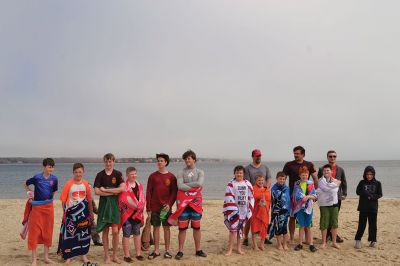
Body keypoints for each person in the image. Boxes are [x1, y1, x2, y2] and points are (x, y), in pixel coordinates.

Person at [168, 150, 206, 260]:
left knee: (197, 228)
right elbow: (180, 186)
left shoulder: (200, 172)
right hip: (183, 205)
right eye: (185, 159)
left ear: (194, 159)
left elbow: (200, 184)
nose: (187, 160)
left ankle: (198, 250)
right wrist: (193, 188)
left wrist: (186, 186)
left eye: (189, 158)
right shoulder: (181, 172)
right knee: (182, 229)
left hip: (196, 204)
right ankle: (180, 251)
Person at [24, 158, 58, 266]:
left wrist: (48, 201)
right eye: (49, 166)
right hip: (37, 208)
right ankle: (34, 259)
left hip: (49, 207)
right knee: (35, 232)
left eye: (52, 167)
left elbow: (53, 193)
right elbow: (25, 184)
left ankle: (46, 257)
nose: (51, 169)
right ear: (44, 167)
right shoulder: (37, 177)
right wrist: (30, 195)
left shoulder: (55, 179)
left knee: (48, 231)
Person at [58, 163, 94, 264]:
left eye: (80, 172)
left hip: (84, 214)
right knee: (70, 235)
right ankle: (68, 256)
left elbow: (89, 200)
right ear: (73, 173)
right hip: (71, 214)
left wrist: (91, 214)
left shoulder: (86, 184)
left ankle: (84, 256)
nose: (78, 174)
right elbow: (63, 200)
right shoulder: (69, 184)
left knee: (84, 235)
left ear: (83, 172)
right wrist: (64, 213)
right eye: (76, 172)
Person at [93, 153, 125, 264]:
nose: (108, 163)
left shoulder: (118, 174)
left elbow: (122, 189)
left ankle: (115, 256)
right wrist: (112, 192)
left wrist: (106, 190)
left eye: (110, 161)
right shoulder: (100, 175)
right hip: (104, 206)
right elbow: (97, 191)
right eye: (106, 161)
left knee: (115, 231)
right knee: (105, 231)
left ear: (113, 161)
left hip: (115, 206)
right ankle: (107, 255)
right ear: (104, 162)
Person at [282, 146, 318, 242]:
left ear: (303, 154)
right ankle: (292, 238)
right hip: (293, 196)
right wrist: (283, 193)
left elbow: (315, 178)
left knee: (306, 215)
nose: (295, 155)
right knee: (292, 217)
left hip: (307, 197)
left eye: (298, 153)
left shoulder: (309, 164)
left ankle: (307, 239)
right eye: (294, 153)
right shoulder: (289, 165)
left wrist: (315, 193)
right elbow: (283, 179)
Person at [146, 153, 178, 260]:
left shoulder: (172, 177)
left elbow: (174, 193)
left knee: (166, 228)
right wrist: (148, 208)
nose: (159, 162)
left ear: (166, 162)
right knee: (156, 228)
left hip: (166, 208)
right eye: (158, 160)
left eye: (161, 160)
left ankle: (167, 250)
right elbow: (148, 193)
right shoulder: (152, 176)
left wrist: (169, 204)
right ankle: (156, 250)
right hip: (154, 207)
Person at [223, 165, 254, 256]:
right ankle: (229, 250)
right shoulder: (231, 184)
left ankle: (239, 248)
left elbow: (251, 197)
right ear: (234, 173)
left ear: (243, 174)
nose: (239, 174)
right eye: (237, 172)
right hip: (234, 211)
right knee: (233, 231)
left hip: (244, 211)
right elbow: (228, 197)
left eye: (240, 172)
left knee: (241, 231)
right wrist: (233, 210)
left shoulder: (247, 184)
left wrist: (249, 209)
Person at [243, 149, 272, 246]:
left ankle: (264, 236)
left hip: (264, 196)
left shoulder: (265, 167)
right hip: (252, 196)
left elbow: (268, 178)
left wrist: (266, 188)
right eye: (256, 156)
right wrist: (254, 192)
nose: (258, 157)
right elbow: (246, 182)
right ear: (253, 156)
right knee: (250, 217)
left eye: (259, 155)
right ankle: (246, 238)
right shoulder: (247, 168)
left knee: (264, 216)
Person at [318, 150, 347, 243]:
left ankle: (332, 234)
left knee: (334, 216)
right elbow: (319, 182)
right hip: (324, 198)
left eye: (334, 156)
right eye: (330, 156)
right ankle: (326, 236)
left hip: (336, 196)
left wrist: (344, 193)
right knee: (325, 216)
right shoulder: (322, 169)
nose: (332, 158)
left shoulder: (340, 169)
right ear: (327, 157)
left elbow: (343, 181)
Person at [118, 167, 145, 262]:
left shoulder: (139, 185)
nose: (134, 175)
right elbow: (122, 199)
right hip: (127, 214)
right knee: (126, 234)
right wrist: (133, 206)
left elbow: (142, 198)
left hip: (137, 213)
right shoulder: (124, 186)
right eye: (131, 174)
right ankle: (127, 255)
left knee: (137, 233)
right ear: (127, 175)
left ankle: (138, 254)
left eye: (135, 174)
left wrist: (140, 207)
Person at [354, 166, 382, 249]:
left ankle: (373, 241)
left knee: (373, 225)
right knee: (362, 224)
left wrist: (372, 197)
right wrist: (366, 194)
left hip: (373, 208)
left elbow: (380, 194)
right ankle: (358, 240)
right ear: (365, 174)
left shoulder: (377, 183)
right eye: (367, 174)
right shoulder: (362, 182)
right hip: (363, 207)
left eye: (371, 174)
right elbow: (358, 192)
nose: (369, 176)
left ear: (373, 175)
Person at [292, 166, 317, 252]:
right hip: (300, 208)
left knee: (309, 226)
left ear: (308, 175)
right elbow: (294, 195)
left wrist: (308, 197)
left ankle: (311, 244)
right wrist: (300, 198)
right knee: (301, 226)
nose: (304, 176)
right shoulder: (297, 184)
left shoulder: (311, 184)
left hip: (309, 208)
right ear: (300, 175)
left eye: (306, 175)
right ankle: (300, 243)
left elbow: (315, 195)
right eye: (303, 175)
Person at [316, 164, 341, 249]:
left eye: (328, 170)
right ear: (322, 172)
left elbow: (335, 190)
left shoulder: (335, 180)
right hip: (324, 205)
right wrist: (335, 184)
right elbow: (326, 189)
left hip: (334, 204)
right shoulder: (320, 180)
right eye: (324, 170)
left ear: (331, 172)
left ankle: (334, 242)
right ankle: (324, 242)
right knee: (324, 223)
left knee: (334, 223)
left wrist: (330, 187)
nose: (326, 172)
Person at [268, 171, 290, 250]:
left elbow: (288, 199)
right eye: (280, 179)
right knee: (278, 229)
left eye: (283, 179)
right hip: (277, 212)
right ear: (277, 179)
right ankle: (279, 244)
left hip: (285, 212)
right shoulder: (274, 188)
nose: (282, 181)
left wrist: (288, 210)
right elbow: (273, 200)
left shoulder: (287, 188)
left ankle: (285, 244)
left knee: (285, 229)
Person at [251, 174, 271, 251]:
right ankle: (255, 245)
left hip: (265, 212)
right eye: (259, 180)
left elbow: (269, 199)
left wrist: (263, 197)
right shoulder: (253, 188)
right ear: (255, 181)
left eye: (262, 180)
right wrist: (261, 196)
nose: (261, 182)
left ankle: (261, 244)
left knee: (264, 228)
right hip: (255, 212)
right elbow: (253, 197)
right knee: (254, 228)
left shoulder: (267, 189)